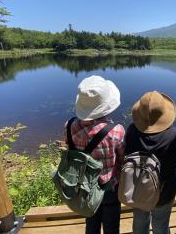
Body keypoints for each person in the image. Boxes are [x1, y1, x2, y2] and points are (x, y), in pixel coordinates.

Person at [65, 75, 125, 234]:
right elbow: (122, 159)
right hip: (109, 187)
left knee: (91, 221)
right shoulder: (116, 131)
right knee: (111, 226)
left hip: (83, 185)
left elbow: (70, 150)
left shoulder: (70, 126)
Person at [124, 91, 176, 234]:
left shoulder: (131, 130)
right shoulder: (172, 135)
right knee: (161, 224)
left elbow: (127, 153)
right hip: (165, 189)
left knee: (139, 221)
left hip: (138, 188)